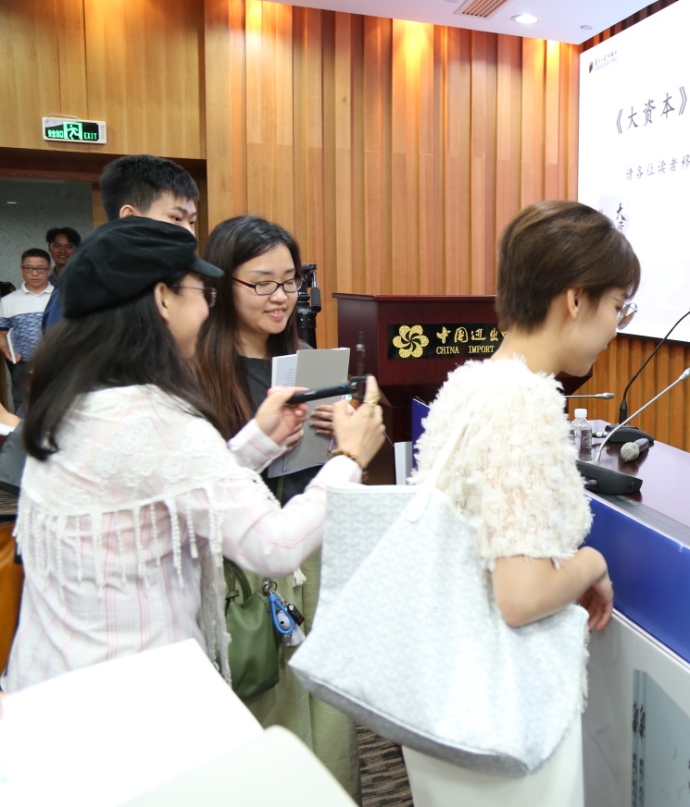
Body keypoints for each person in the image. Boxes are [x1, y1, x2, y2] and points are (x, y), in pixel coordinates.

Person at [1, 216, 385, 693]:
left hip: (45, 684)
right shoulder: (161, 419)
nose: (208, 306)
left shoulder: (72, 403)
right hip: (127, 694)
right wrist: (350, 456)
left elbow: (170, 487)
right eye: (201, 290)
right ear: (163, 299)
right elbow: (275, 546)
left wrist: (260, 440)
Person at [400, 200, 638, 805]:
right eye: (617, 306)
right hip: (503, 714)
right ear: (576, 299)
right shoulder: (524, 403)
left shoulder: (471, 383)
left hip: (449, 691)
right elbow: (522, 596)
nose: (617, 328)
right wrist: (592, 564)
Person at [194, 215, 359, 797]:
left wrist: (343, 429)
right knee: (269, 696)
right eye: (261, 283)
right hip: (250, 561)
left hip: (313, 545)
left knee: (328, 699)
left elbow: (334, 462)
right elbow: (205, 481)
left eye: (290, 281)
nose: (281, 297)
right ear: (222, 285)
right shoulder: (197, 370)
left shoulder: (304, 358)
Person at [43, 154, 199, 332]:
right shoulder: (81, 292)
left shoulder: (175, 283)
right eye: (177, 218)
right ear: (130, 219)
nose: (190, 234)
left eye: (192, 222)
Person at [0, 249, 54, 413]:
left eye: (40, 269)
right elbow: (1, 333)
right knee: (23, 407)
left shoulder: (61, 297)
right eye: (29, 268)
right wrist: (6, 350)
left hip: (55, 362)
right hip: (22, 364)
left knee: (56, 405)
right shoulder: (8, 301)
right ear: (22, 269)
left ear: (49, 270)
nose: (35, 273)